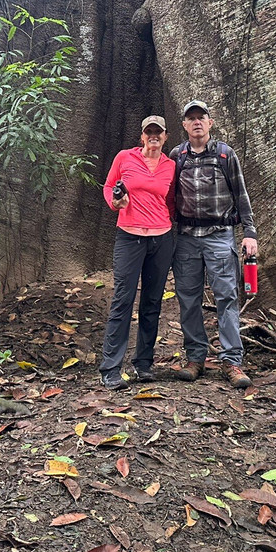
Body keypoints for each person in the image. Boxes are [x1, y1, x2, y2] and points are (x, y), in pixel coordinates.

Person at [171, 100, 257, 389]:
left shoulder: (224, 154)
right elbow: (167, 196)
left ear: (210, 122)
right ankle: (195, 358)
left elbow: (241, 194)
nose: (197, 122)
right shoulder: (177, 156)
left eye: (201, 117)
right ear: (184, 125)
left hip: (220, 235)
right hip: (186, 238)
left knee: (226, 298)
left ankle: (232, 361)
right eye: (191, 118)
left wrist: (250, 232)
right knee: (188, 299)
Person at [99, 115, 176, 390]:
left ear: (165, 136)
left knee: (152, 302)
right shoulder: (125, 157)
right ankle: (110, 368)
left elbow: (170, 200)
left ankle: (143, 364)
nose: (153, 136)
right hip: (130, 237)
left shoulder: (171, 165)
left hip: (161, 238)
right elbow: (109, 186)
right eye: (149, 132)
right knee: (123, 298)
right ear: (142, 136)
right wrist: (115, 202)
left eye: (158, 132)